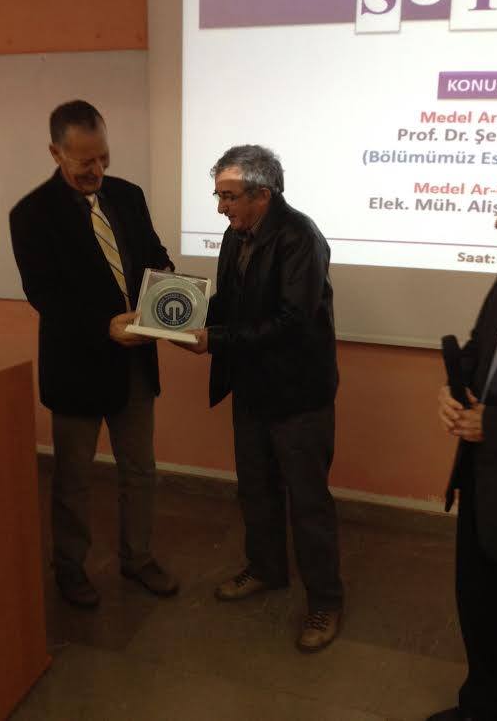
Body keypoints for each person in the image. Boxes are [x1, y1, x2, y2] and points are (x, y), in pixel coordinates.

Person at [10, 100, 178, 608]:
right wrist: (104, 326)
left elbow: (155, 257)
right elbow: (44, 294)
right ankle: (70, 570)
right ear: (55, 153)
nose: (97, 170)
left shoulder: (128, 195)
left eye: (103, 157)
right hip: (76, 368)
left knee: (140, 469)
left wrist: (169, 296)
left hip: (135, 362)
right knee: (74, 480)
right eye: (85, 161)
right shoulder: (31, 214)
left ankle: (138, 558)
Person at [182, 144, 342, 651]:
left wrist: (217, 340)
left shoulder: (301, 237)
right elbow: (230, 301)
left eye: (229, 197)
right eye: (218, 196)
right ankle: (267, 569)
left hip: (299, 396)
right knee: (255, 489)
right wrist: (183, 316)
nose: (221, 207)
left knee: (308, 503)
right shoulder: (237, 235)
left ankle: (324, 603)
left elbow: (292, 323)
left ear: (263, 194)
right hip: (252, 388)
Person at [433, 168, 497, 721]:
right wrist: (452, 387)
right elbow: (477, 349)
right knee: (484, 609)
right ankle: (485, 708)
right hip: (483, 482)